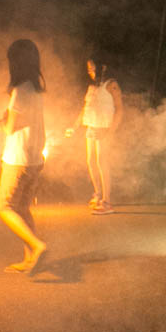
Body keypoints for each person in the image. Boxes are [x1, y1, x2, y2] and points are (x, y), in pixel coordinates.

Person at [0, 39, 48, 274]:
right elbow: (14, 123)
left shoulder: (19, 91)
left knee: (4, 207)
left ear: (15, 63)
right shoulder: (35, 90)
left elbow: (9, 127)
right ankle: (29, 259)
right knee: (23, 208)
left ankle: (37, 247)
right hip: (35, 158)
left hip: (18, 158)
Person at [66, 55, 123, 215]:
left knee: (102, 162)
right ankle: (97, 193)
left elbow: (119, 109)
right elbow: (85, 108)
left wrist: (111, 131)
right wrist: (74, 126)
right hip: (91, 127)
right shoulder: (92, 88)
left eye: (92, 68)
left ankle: (107, 201)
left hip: (104, 128)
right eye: (88, 69)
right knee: (91, 161)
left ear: (102, 67)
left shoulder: (111, 85)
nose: (90, 71)